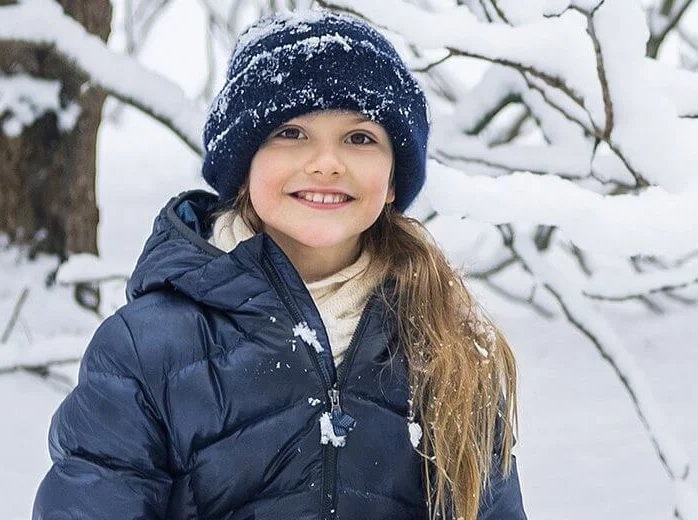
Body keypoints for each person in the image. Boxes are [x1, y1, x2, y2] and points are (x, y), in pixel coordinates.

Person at [33, 9, 527, 520]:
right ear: (243, 167)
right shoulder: (147, 349)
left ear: (394, 180)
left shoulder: (446, 341)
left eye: (359, 138)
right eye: (291, 132)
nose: (326, 162)